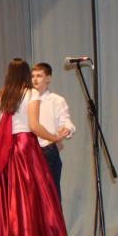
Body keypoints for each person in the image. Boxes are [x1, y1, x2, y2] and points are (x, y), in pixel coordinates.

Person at [0, 59, 70, 236]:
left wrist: (8, 143)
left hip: (6, 150)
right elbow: (34, 125)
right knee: (29, 196)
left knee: (8, 197)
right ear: (25, 74)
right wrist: (53, 137)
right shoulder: (31, 93)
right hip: (26, 147)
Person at [32, 62, 75, 203]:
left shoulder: (56, 100)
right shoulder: (27, 100)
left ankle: (55, 218)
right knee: (33, 198)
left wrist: (67, 129)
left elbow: (67, 121)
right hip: (29, 152)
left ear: (48, 78)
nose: (35, 79)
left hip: (48, 151)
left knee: (51, 197)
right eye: (33, 76)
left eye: (39, 76)